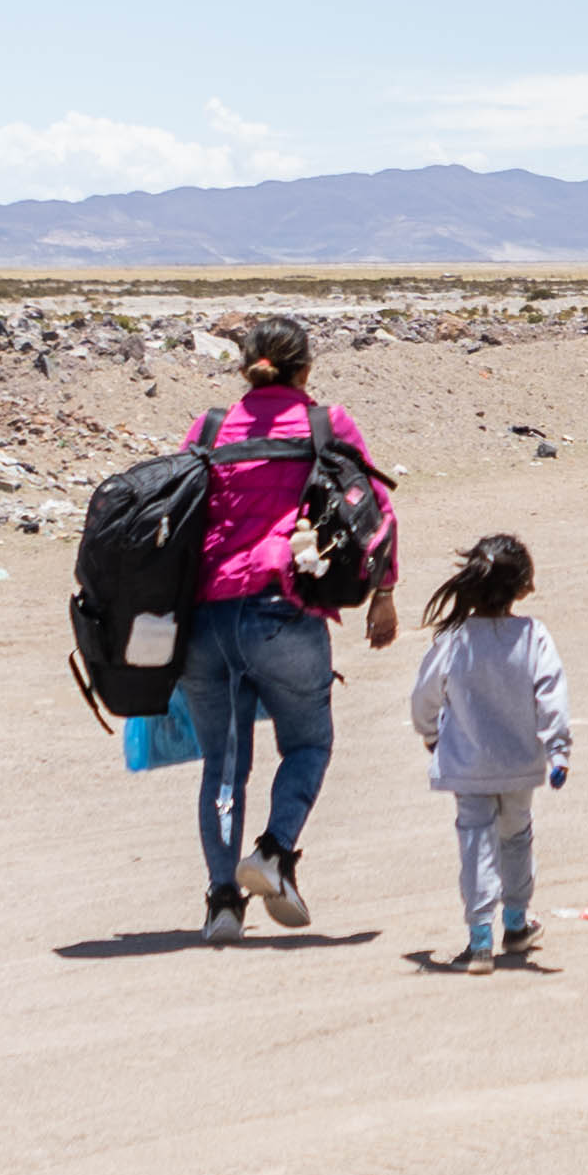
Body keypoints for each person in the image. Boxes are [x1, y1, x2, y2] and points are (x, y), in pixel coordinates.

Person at [178, 311, 405, 939]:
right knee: (307, 745)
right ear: (306, 369)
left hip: (206, 618)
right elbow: (375, 511)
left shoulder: (210, 427)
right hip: (284, 610)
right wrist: (383, 594)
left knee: (224, 764)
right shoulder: (326, 424)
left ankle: (223, 902)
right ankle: (274, 853)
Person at [407, 532, 574, 970]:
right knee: (516, 838)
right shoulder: (533, 635)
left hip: (468, 767)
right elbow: (552, 694)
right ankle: (516, 923)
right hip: (520, 766)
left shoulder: (453, 638)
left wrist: (430, 733)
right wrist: (558, 750)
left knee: (476, 843)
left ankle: (480, 938)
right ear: (522, 587)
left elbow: (424, 696)